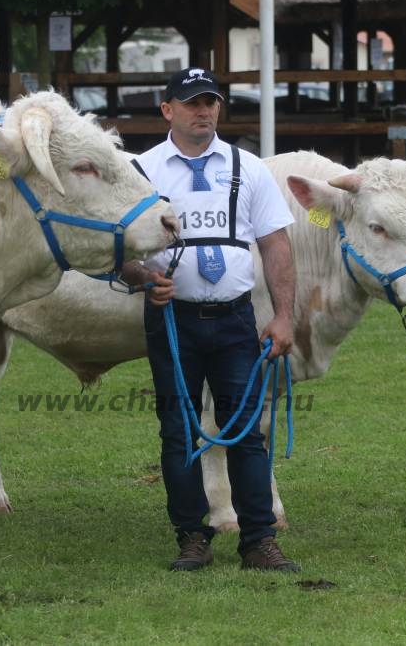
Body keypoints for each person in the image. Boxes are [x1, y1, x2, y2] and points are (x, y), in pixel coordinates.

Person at [121, 67, 299, 572]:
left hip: (236, 319)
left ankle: (258, 540)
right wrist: (141, 278)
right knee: (178, 430)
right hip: (172, 321)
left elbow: (275, 243)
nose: (203, 111)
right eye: (192, 103)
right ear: (167, 110)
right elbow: (120, 250)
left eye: (211, 102)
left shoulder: (248, 168)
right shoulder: (141, 170)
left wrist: (283, 315)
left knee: (246, 428)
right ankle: (192, 537)